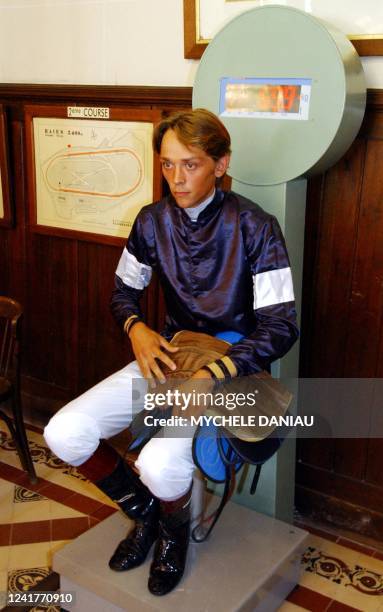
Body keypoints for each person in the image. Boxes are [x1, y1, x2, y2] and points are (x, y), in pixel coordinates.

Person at [44, 108, 298, 596]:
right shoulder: (151, 220)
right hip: (171, 356)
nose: (176, 179)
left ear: (221, 165)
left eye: (191, 165)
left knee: (162, 463)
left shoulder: (257, 226)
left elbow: (281, 326)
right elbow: (122, 293)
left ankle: (172, 536)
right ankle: (151, 517)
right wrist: (135, 326)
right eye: (167, 165)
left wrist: (214, 373)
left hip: (234, 369)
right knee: (65, 432)